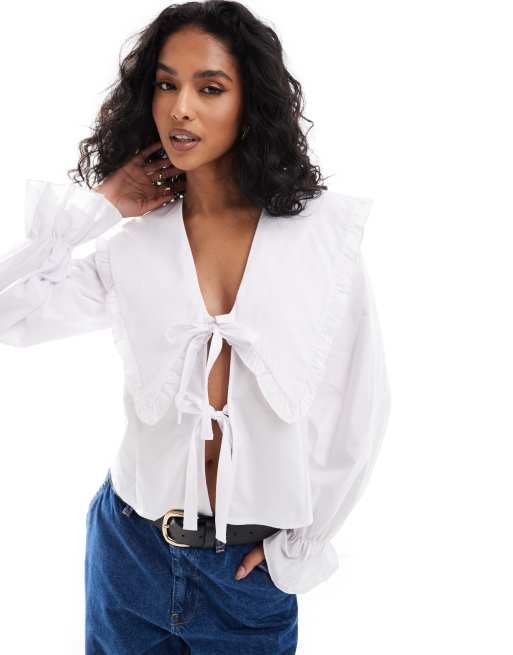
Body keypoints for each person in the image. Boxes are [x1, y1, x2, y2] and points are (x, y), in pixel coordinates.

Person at [0, 1, 391, 653]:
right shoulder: (133, 246)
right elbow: (9, 311)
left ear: (250, 101)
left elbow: (359, 405)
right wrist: (102, 207)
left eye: (209, 87)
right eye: (165, 84)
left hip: (247, 574)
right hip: (129, 553)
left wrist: (299, 548)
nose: (180, 108)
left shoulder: (321, 238)